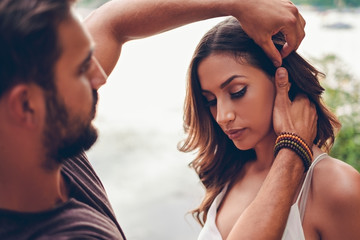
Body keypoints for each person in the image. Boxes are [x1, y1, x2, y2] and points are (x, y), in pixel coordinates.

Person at [0, 0, 314, 239]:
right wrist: (292, 151)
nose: (101, 75)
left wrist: (239, 5)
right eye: (82, 68)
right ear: (26, 106)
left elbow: (112, 23)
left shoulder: (35, 143)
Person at [179, 16, 360, 240]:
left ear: (281, 79)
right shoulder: (230, 172)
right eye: (211, 101)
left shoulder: (337, 186)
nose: (222, 117)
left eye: (237, 92)